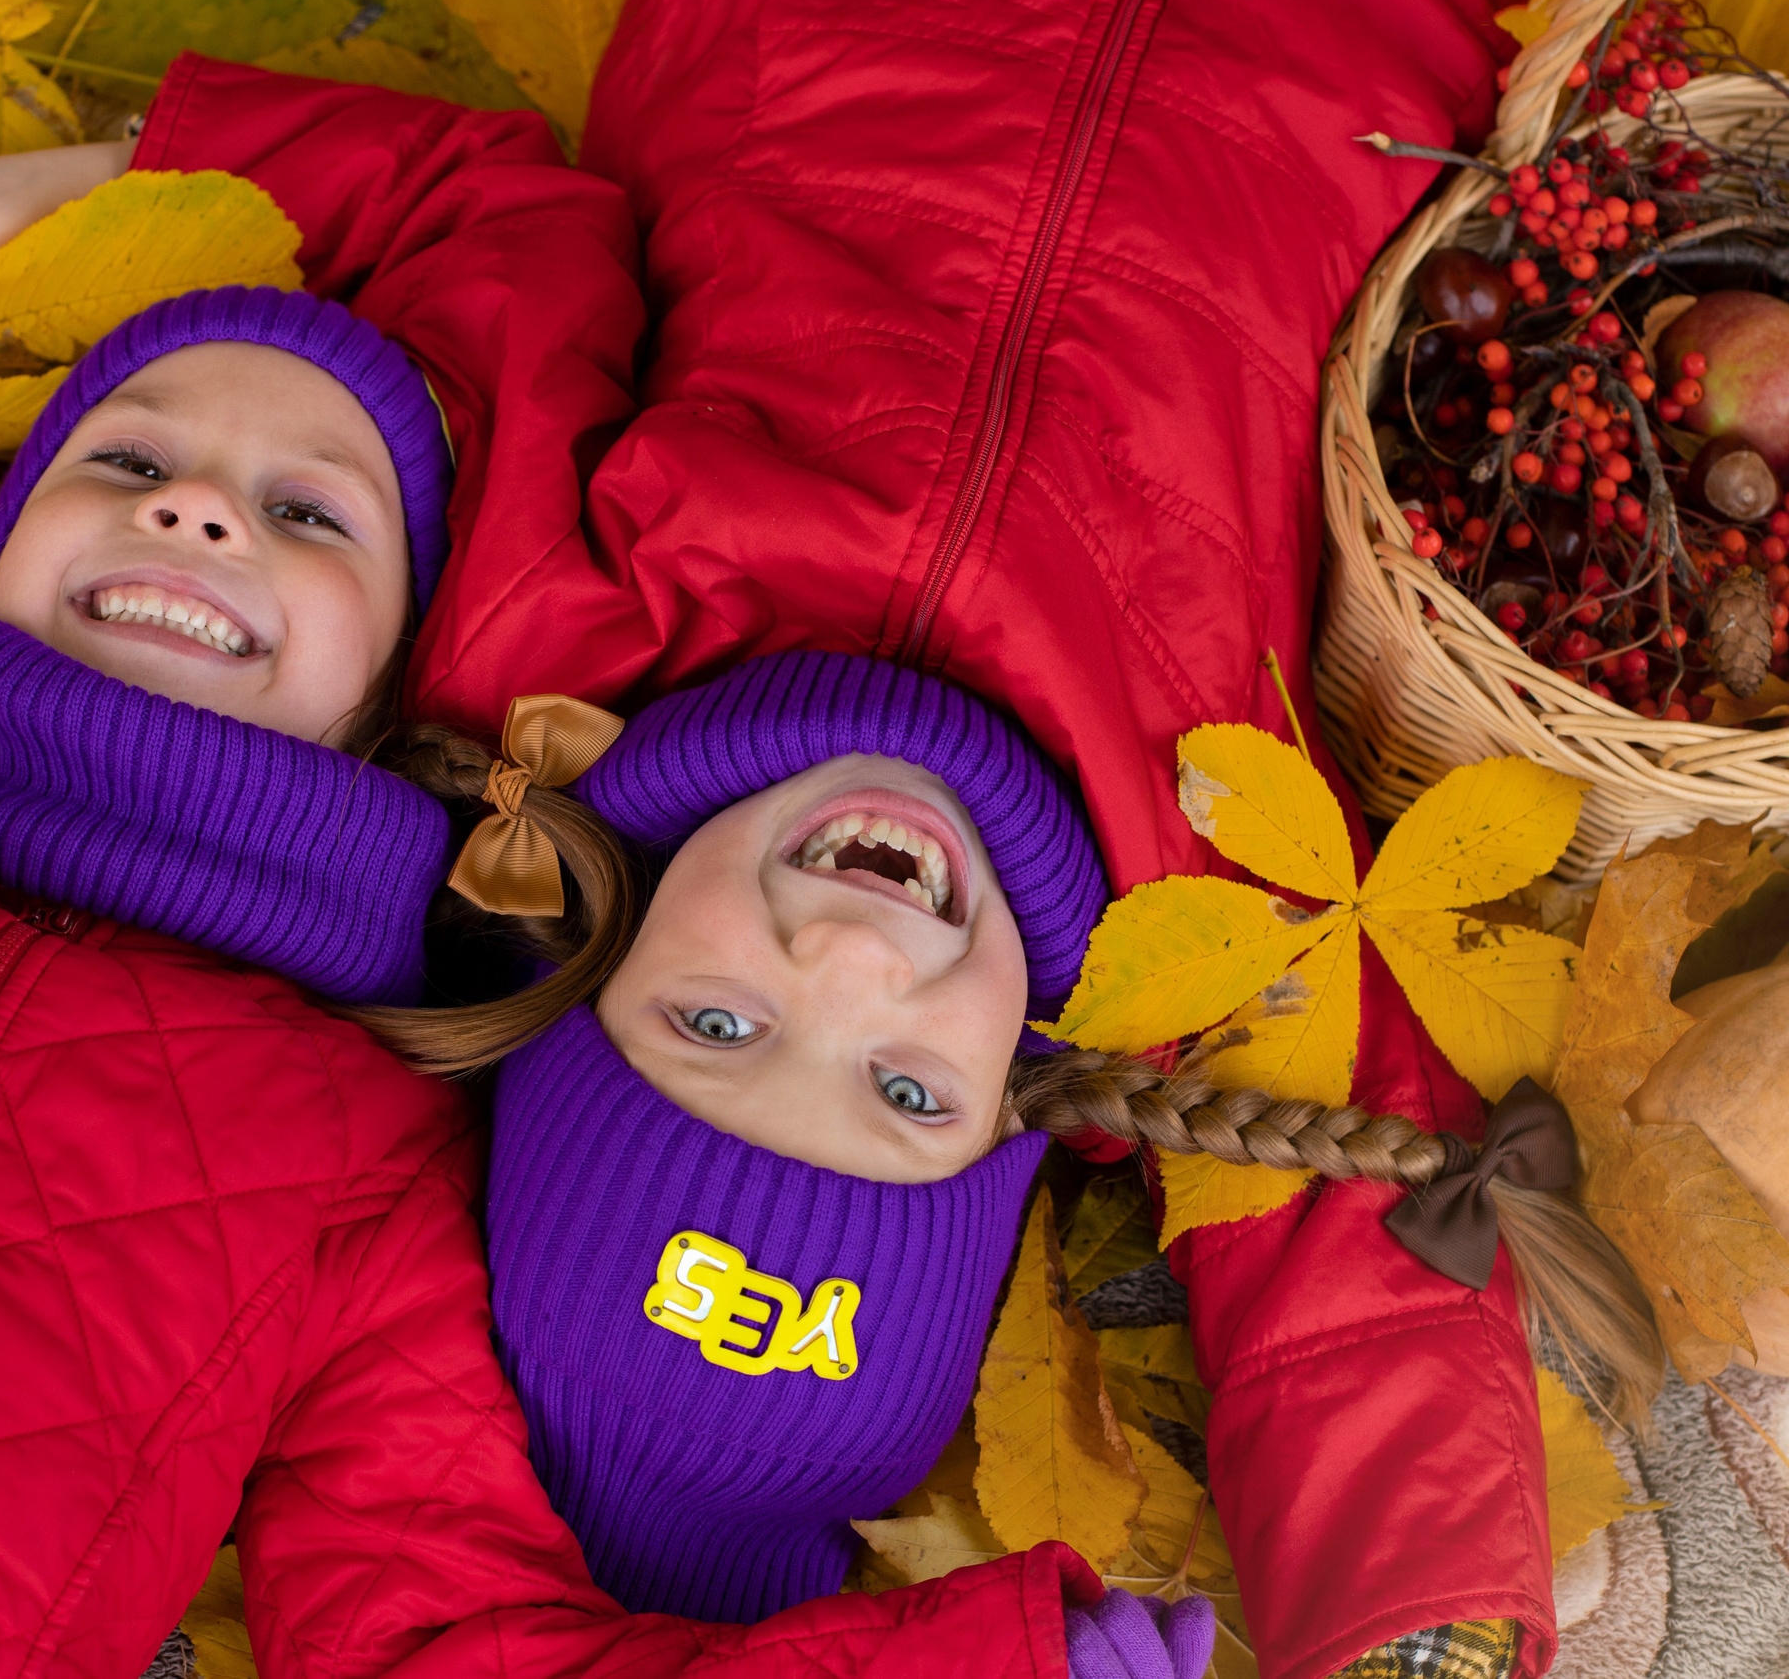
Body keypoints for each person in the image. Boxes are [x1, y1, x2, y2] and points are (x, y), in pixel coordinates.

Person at [0, 67, 1173, 1679]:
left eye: (307, 512)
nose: (192, 501)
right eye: (116, 459)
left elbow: (444, 1629)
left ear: (407, 680)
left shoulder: (367, 1149)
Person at [479, 648, 1656, 1633]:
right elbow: (1339, 1262)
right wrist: (1411, 1595)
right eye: (906, 1092)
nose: (854, 958)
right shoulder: (1198, 903)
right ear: (1011, 1101)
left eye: (721, 1024)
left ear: (600, 950)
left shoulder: (550, 639)